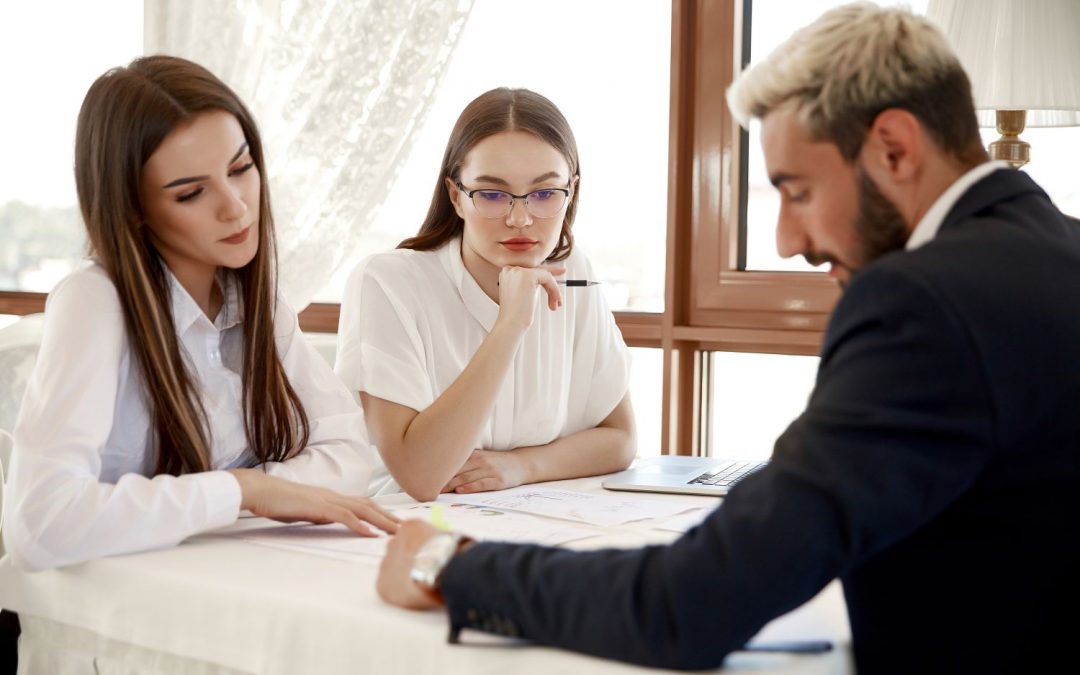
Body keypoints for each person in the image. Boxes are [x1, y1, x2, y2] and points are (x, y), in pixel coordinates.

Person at [375, 4, 1080, 673]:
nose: (786, 238)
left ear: (894, 147)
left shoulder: (920, 303)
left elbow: (689, 603)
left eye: (796, 191)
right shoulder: (1059, 249)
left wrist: (451, 564)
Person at [1, 56, 399, 572]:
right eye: (191, 192)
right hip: (117, 613)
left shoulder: (254, 302)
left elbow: (348, 453)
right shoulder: (96, 302)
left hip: (228, 581)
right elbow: (42, 522)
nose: (236, 207)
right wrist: (243, 490)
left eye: (241, 168)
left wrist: (258, 491)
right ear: (134, 209)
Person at [335, 88, 635, 501]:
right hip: (404, 528)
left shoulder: (572, 270)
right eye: (492, 195)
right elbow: (421, 476)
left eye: (545, 194)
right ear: (456, 196)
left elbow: (620, 439)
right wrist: (509, 326)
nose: (520, 218)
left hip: (533, 520)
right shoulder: (387, 282)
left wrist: (521, 466)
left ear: (572, 192)